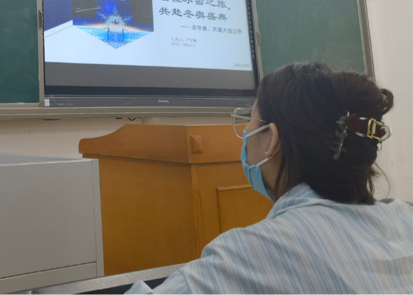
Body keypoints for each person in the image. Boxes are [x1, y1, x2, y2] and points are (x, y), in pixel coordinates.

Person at [129, 62, 413, 294]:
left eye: (250, 119)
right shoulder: (404, 217)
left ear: (271, 140)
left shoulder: (250, 255)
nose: (245, 133)